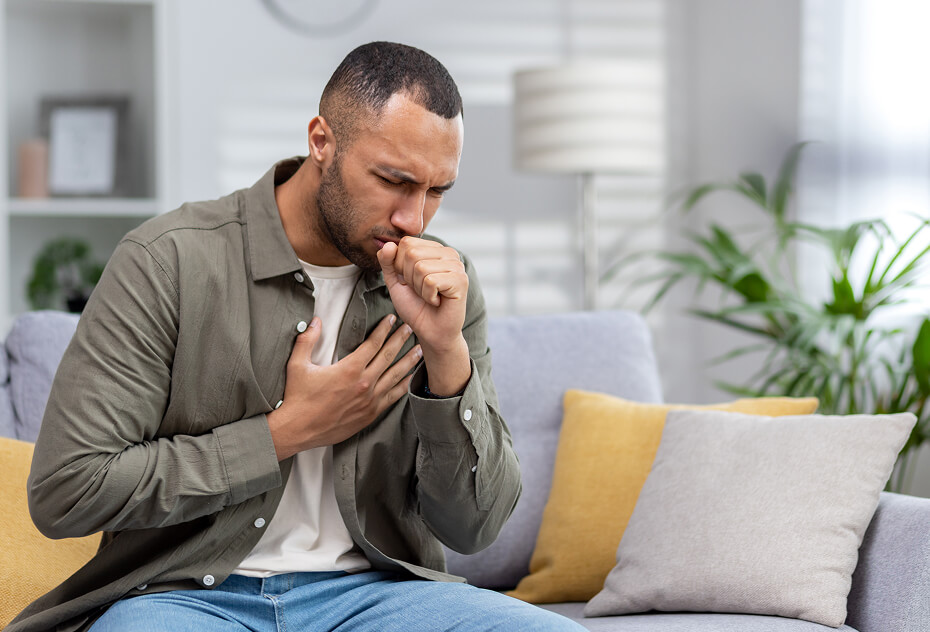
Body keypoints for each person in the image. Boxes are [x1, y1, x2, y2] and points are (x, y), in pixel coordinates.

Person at [8, 42, 585, 632]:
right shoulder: (168, 261)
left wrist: (446, 357)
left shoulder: (445, 285)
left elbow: (474, 527)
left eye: (437, 191)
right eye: (393, 179)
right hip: (181, 598)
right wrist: (284, 433)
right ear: (321, 140)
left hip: (376, 596)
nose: (414, 219)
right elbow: (68, 491)